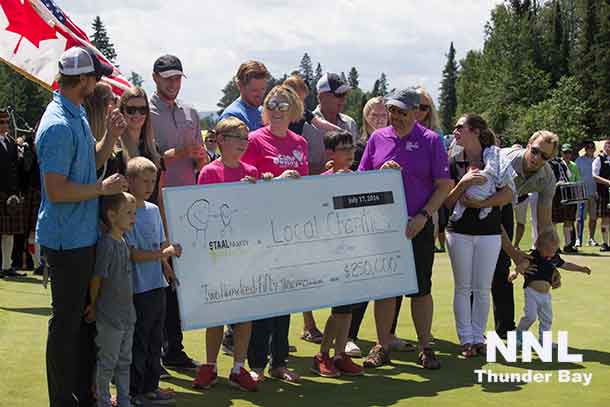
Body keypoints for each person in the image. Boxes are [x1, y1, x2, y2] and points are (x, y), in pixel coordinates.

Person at [35, 45, 127, 407]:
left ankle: (77, 394)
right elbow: (57, 191)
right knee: (67, 324)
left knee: (79, 322)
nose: (97, 85)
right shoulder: (58, 124)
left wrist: (112, 138)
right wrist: (100, 189)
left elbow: (92, 160)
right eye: (95, 79)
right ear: (84, 80)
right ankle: (62, 399)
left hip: (80, 236)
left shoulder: (74, 113)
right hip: (66, 240)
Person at [358, 88, 453, 369]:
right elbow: (362, 180)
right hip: (384, 227)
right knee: (385, 288)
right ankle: (382, 345)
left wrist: (424, 216)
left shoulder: (431, 140)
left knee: (421, 289)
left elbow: (444, 185)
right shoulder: (377, 138)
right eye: (392, 111)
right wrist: (380, 174)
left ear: (416, 112)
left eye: (401, 111)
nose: (395, 116)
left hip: (417, 224)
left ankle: (426, 346)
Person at [241, 84, 308, 383]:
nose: (278, 110)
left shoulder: (300, 143)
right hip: (260, 229)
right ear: (265, 109)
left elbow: (305, 186)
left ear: (293, 109)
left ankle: (279, 362)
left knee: (285, 300)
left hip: (290, 229)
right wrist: (276, 181)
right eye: (273, 104)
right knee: (262, 300)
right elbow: (248, 184)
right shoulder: (254, 140)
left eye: (284, 105)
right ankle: (256, 364)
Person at [193, 117, 259, 392]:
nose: (243, 144)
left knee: (244, 314)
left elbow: (257, 212)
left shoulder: (252, 171)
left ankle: (238, 367)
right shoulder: (209, 172)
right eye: (237, 138)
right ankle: (210, 365)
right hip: (217, 254)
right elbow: (202, 213)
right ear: (220, 140)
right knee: (216, 313)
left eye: (246, 138)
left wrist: (261, 188)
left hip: (245, 254)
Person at [149, 54, 204, 369]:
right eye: (168, 77)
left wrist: (199, 156)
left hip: (187, 202)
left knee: (179, 277)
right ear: (155, 78)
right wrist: (177, 153)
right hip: (156, 201)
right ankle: (158, 348)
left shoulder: (190, 112)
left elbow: (201, 154)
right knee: (159, 274)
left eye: (177, 77)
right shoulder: (146, 111)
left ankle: (173, 347)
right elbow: (146, 155)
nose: (173, 82)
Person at [444, 114, 514, 358]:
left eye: (459, 127)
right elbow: (447, 202)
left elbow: (507, 195)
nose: (455, 131)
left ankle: (478, 336)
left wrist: (482, 203)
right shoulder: (454, 160)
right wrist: (463, 183)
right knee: (463, 288)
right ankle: (466, 340)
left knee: (483, 288)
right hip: (459, 233)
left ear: (475, 131)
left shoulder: (495, 158)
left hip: (489, 233)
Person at [490, 130, 559, 339]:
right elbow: (491, 214)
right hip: (481, 202)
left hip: (506, 203)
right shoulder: (507, 162)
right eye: (535, 151)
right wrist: (513, 252)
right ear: (528, 145)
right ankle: (472, 336)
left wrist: (549, 263)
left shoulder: (548, 177)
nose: (537, 158)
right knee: (483, 268)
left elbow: (545, 225)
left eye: (545, 156)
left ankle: (505, 330)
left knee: (501, 268)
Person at [124, 156, 182, 405]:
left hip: (157, 286)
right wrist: (164, 254)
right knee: (139, 340)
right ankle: (134, 391)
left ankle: (151, 387)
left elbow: (160, 244)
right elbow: (134, 254)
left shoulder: (154, 210)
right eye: (144, 181)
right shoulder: (125, 210)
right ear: (130, 181)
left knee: (156, 339)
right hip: (137, 289)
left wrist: (166, 265)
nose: (149, 186)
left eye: (152, 181)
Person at [311, 130, 363, 378]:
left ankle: (340, 355)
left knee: (348, 308)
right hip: (332, 254)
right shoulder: (323, 180)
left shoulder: (357, 178)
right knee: (339, 309)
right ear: (330, 153)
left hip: (353, 252)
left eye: (351, 148)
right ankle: (323, 354)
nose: (350, 153)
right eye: (344, 149)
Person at [85, 192, 137, 407]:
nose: (133, 217)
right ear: (112, 215)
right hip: (110, 316)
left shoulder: (124, 241)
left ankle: (124, 400)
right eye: (128, 213)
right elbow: (97, 278)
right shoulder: (106, 243)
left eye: (134, 213)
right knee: (108, 362)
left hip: (127, 315)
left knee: (125, 362)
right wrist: (94, 305)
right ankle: (103, 401)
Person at [345, 96, 388, 357]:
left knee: (385, 282)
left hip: (386, 222)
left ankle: (386, 336)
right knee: (359, 281)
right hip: (361, 223)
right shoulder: (359, 147)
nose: (380, 119)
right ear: (365, 117)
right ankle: (348, 335)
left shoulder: (394, 143)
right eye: (375, 115)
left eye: (384, 115)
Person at [509, 229, 591, 344]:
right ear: (539, 246)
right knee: (530, 316)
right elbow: (523, 264)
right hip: (532, 292)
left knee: (547, 319)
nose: (551, 253)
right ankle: (519, 334)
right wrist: (515, 272)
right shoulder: (534, 256)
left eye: (553, 250)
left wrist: (581, 269)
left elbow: (566, 265)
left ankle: (544, 340)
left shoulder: (554, 258)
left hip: (545, 295)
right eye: (547, 250)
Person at [0, 108, 26, 277]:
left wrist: (16, 191)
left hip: (10, 193)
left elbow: (15, 168)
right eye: (2, 122)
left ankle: (6, 266)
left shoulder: (10, 142)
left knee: (8, 233)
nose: (5, 125)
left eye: (6, 122)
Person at [219, 60, 270, 131]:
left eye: (263, 89)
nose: (260, 95)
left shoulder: (265, 113)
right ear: (240, 86)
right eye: (254, 90)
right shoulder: (232, 116)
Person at [84, 82, 121, 179]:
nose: (117, 105)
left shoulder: (114, 136)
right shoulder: (83, 140)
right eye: (114, 99)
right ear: (107, 105)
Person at [313, 73, 359, 144]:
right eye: (339, 94)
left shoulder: (351, 123)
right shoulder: (306, 125)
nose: (343, 99)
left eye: (345, 94)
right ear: (322, 97)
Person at [576, 140, 599, 246]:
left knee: (593, 218)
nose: (590, 149)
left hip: (593, 193)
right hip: (582, 193)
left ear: (594, 149)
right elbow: (577, 176)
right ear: (585, 149)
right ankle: (578, 239)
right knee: (580, 218)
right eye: (588, 148)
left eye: (592, 148)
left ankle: (591, 239)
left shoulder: (597, 160)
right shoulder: (579, 160)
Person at [560, 143, 580, 251]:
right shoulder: (557, 164)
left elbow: (578, 180)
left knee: (569, 220)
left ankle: (568, 245)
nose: (567, 155)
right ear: (561, 153)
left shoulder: (574, 165)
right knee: (555, 220)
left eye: (569, 152)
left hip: (571, 195)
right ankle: (555, 247)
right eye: (565, 152)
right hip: (559, 195)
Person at [592, 139, 610, 251]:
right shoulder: (599, 159)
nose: (609, 149)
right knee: (605, 218)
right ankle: (605, 243)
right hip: (603, 193)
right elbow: (594, 176)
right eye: (608, 146)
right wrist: (607, 182)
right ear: (604, 147)